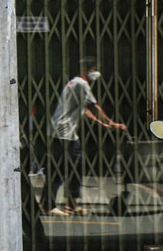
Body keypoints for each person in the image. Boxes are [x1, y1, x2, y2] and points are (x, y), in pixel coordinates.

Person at [47, 59, 125, 216]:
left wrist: (103, 124)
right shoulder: (81, 84)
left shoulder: (73, 84)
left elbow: (85, 111)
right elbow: (93, 107)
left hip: (67, 133)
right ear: (85, 69)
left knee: (76, 167)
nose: (95, 73)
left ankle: (71, 204)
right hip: (63, 133)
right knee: (60, 169)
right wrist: (112, 123)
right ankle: (48, 205)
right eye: (93, 69)